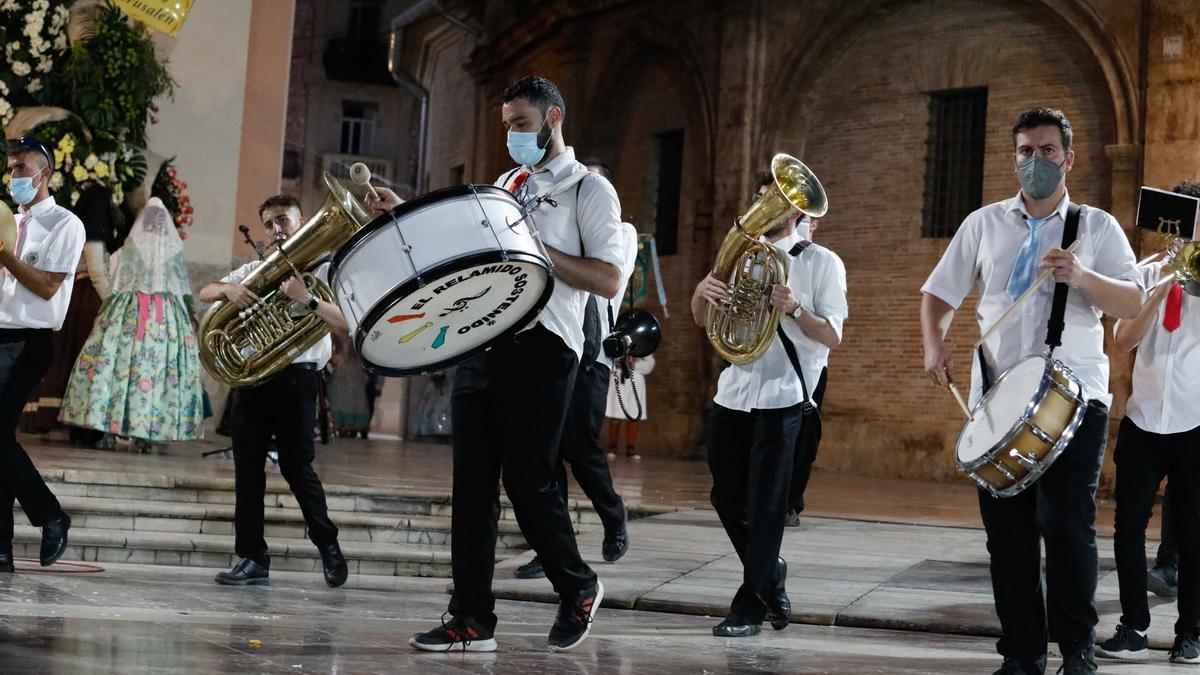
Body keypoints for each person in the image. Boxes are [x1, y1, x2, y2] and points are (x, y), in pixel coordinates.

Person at [371, 76, 622, 653]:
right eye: (507, 125)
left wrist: (535, 249)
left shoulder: (589, 191)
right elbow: (465, 245)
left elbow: (608, 278)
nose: (511, 135)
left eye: (521, 125)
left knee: (529, 482)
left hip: (544, 346)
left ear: (554, 118)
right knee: (472, 487)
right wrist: (404, 212)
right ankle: (472, 619)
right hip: (481, 340)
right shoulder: (508, 183)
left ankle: (578, 585)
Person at [921, 107, 1143, 675]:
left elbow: (1133, 303)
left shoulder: (1095, 226)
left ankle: (1077, 651)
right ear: (1013, 157)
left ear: (1068, 158)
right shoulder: (983, 223)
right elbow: (939, 294)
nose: (1035, 161)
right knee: (1009, 537)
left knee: (1067, 528)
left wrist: (1083, 277)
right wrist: (934, 344)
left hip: (1075, 399)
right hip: (996, 401)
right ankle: (1022, 654)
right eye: (1025, 151)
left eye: (1047, 151)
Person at [691, 166, 847, 637]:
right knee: (724, 495)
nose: (766, 207)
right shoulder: (742, 254)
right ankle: (770, 573)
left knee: (766, 504)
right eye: (762, 197)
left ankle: (750, 606)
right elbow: (703, 320)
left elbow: (833, 335)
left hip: (785, 395)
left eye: (776, 199)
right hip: (735, 391)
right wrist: (703, 293)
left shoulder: (823, 262)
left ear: (799, 211)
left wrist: (795, 307)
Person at [197, 194, 349, 589]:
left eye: (283, 219)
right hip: (253, 377)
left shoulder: (327, 269)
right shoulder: (256, 270)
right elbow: (205, 292)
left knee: (297, 468)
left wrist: (307, 299)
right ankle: (252, 558)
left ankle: (329, 548)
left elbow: (348, 322)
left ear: (301, 222)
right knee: (247, 471)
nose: (275, 228)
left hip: (296, 376)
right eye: (269, 223)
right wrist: (229, 291)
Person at [514, 157, 638, 581]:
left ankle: (613, 513)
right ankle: (549, 545)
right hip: (556, 343)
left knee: (580, 448)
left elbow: (609, 278)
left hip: (594, 353)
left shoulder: (622, 233)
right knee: (545, 452)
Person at [1095, 181, 1200, 665]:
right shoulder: (1146, 271)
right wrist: (1159, 290)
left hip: (1194, 421)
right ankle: (1133, 628)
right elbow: (1123, 337)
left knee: (1194, 532)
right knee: (1127, 527)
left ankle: (1191, 635)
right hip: (1142, 418)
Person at [0, 136, 86, 571]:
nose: (13, 175)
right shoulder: (9, 221)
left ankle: (51, 515)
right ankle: (1, 549)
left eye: (21, 168)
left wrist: (2, 255)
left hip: (29, 340)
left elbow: (48, 284)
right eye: (10, 167)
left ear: (44, 173)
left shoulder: (65, 224)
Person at [58, 198, 205, 448]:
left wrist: (106, 312)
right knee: (158, 371)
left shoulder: (131, 245)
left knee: (119, 369)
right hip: (166, 317)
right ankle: (146, 435)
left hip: (128, 311)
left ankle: (109, 429)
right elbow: (182, 288)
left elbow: (117, 280)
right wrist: (191, 316)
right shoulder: (173, 247)